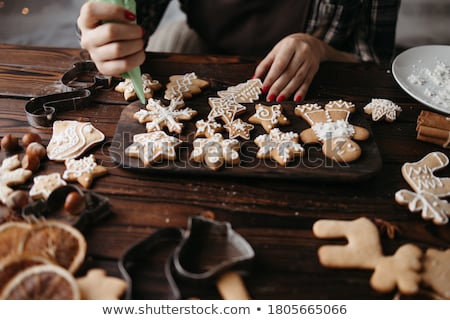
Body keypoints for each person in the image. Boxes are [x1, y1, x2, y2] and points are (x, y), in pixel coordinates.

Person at [77, 0, 400, 102]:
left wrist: (316, 48)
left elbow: (373, 63)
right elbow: (130, 17)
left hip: (325, 63)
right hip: (206, 43)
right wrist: (105, 36)